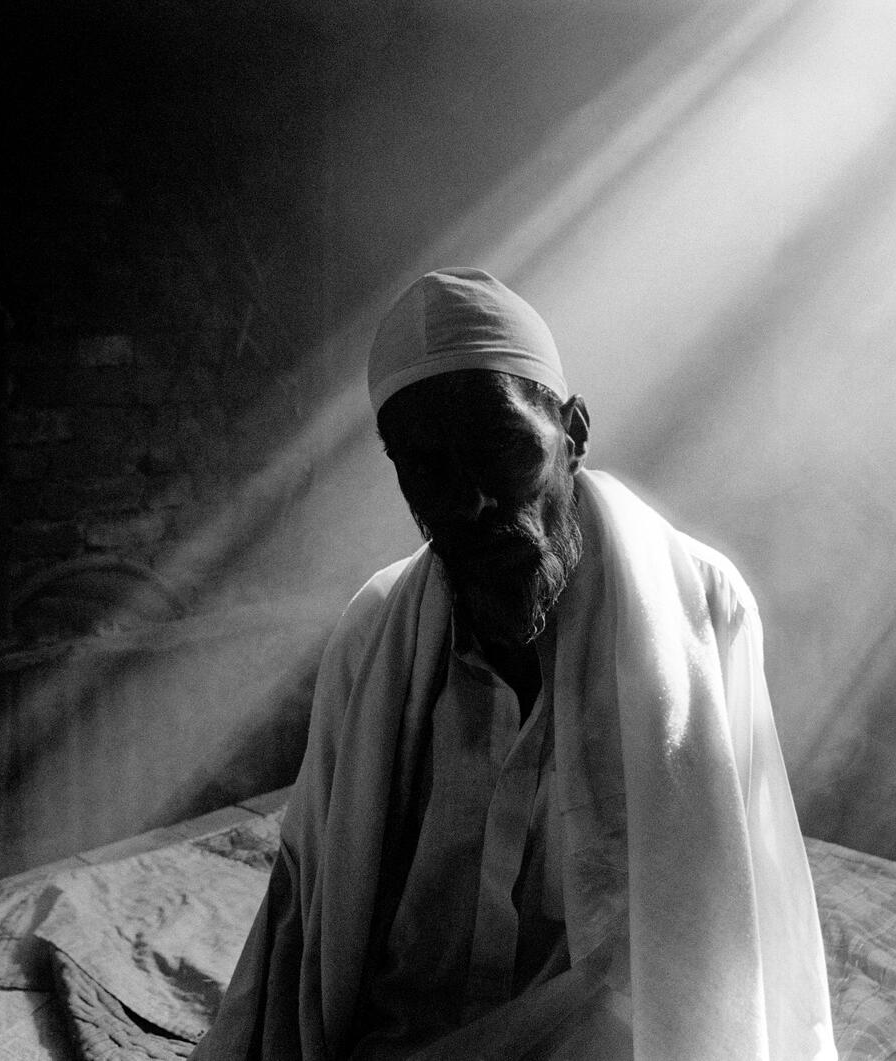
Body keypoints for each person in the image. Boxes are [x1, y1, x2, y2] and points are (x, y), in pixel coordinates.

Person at [194, 268, 836, 1060]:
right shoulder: (374, 635)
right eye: (426, 469)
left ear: (573, 433)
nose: (469, 502)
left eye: (500, 447)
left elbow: (749, 907)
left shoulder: (704, 611)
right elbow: (308, 911)